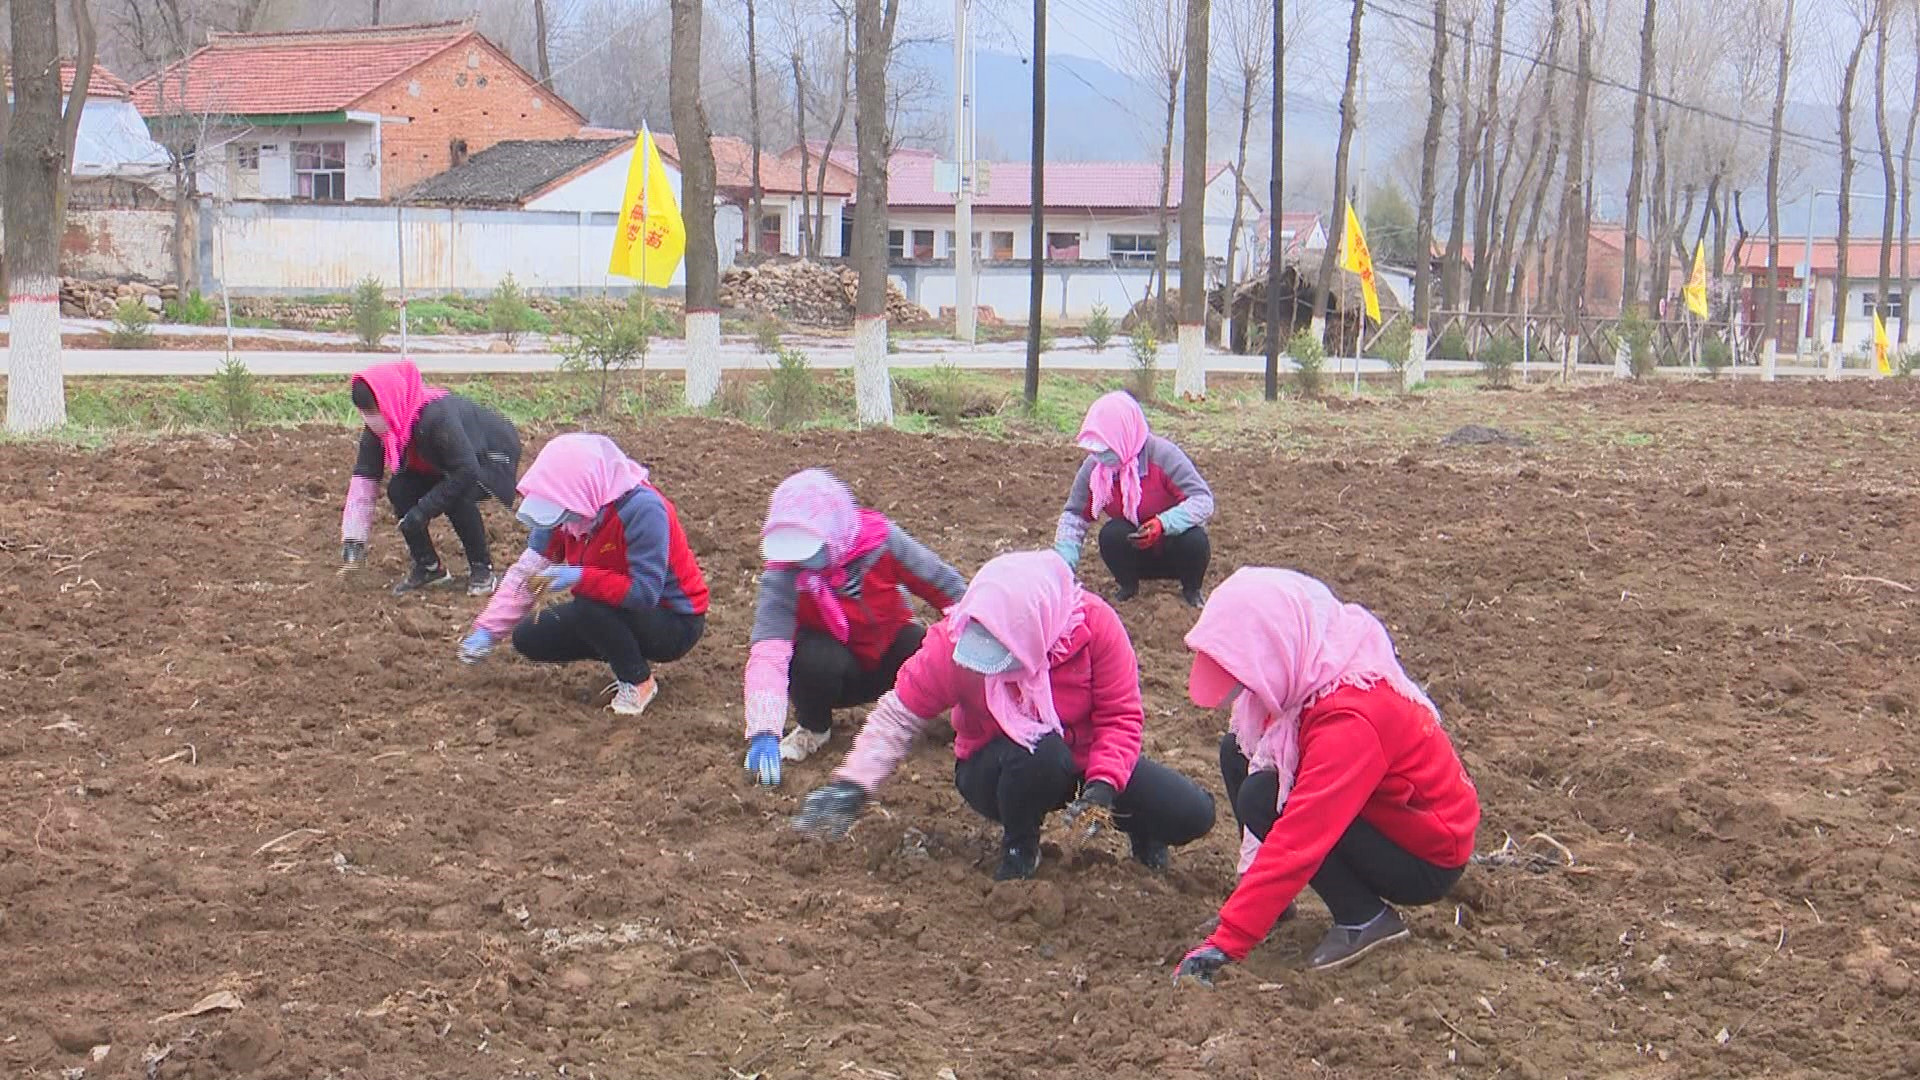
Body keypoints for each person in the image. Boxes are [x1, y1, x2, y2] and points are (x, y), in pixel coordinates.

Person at [792, 551, 1216, 879]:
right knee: (1042, 755)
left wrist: (1104, 786)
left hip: (1086, 761)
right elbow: (898, 715)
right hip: (998, 767)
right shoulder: (955, 642)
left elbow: (1120, 717)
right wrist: (852, 785)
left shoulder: (1095, 627)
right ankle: (1020, 845)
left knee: (1192, 814)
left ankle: (1141, 829)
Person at [1170, 568, 1480, 987]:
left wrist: (1229, 940)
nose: (1244, 691)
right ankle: (1273, 906)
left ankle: (1364, 917)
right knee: (1238, 753)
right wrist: (1254, 898)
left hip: (1424, 852)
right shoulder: (1312, 657)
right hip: (1380, 813)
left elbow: (1301, 834)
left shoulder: (1353, 718)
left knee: (1263, 797)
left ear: (1273, 650)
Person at [743, 469, 970, 786]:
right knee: (812, 657)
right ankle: (814, 727)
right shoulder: (783, 577)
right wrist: (764, 730)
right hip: (833, 674)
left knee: (924, 643)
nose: (800, 560)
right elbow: (769, 652)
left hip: (891, 658)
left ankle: (921, 713)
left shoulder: (882, 543)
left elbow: (948, 590)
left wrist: (976, 659)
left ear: (833, 532)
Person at [457, 433, 708, 716]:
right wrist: (487, 631)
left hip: (674, 620)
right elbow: (529, 571)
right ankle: (619, 646)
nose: (559, 521)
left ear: (583, 492)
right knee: (529, 637)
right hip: (611, 607)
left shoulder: (643, 511)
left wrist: (579, 577)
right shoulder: (560, 508)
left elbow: (644, 593)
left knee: (589, 604)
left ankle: (637, 681)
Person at [338, 360, 521, 596]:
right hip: (441, 463)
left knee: (457, 495)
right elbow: (365, 475)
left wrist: (423, 510)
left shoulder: (436, 417)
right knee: (400, 490)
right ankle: (429, 567)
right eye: (366, 413)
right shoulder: (381, 425)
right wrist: (354, 539)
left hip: (489, 455)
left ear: (389, 399)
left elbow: (466, 471)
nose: (371, 418)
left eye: (374, 409)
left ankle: (482, 569)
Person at [1052, 390, 1214, 608]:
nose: (1101, 456)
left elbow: (1202, 500)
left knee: (1195, 540)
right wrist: (1063, 566)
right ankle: (1128, 585)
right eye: (1096, 450)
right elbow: (1074, 517)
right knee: (1111, 534)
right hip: (1136, 553)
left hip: (1174, 547)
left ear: (1124, 435)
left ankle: (1191, 590)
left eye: (1107, 448)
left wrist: (1164, 523)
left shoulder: (1163, 456)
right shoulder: (1096, 468)